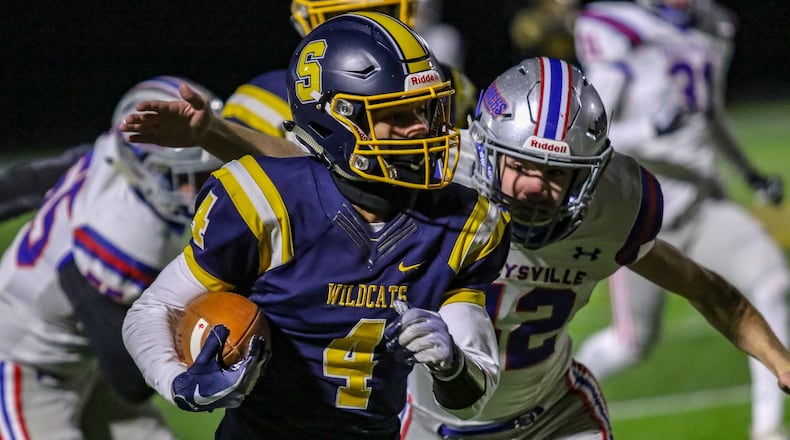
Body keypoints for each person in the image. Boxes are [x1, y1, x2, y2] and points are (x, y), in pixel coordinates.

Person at [119, 52, 790, 439]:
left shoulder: (616, 201)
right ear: (485, 148)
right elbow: (314, 165)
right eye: (521, 166)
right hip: (431, 423)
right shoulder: (441, 180)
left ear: (591, 173)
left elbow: (708, 290)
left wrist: (782, 363)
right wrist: (215, 136)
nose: (533, 188)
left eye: (558, 175)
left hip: (549, 412)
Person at [121, 12, 511, 440]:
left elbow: (472, 396)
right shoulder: (266, 202)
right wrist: (178, 382)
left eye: (425, 109)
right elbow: (155, 309)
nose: (420, 128)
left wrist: (453, 364)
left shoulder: (464, 222)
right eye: (397, 115)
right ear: (337, 121)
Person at [573, 2, 790, 439]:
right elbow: (592, 130)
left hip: (702, 203)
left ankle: (768, 429)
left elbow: (711, 115)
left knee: (775, 285)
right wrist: (650, 130)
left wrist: (748, 172)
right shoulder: (615, 27)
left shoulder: (713, 25)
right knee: (631, 344)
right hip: (642, 214)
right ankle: (552, 395)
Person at [0, 76, 223, 439]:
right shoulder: (124, 235)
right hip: (24, 364)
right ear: (146, 168)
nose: (199, 187)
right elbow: (131, 380)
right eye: (189, 176)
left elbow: (22, 185)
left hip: (82, 359)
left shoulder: (113, 155)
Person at [221, 0, 477, 143]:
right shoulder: (261, 102)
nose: (366, 32)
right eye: (344, 17)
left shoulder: (445, 84)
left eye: (379, 14)